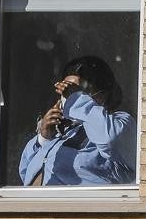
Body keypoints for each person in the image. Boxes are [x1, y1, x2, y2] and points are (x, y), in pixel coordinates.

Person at [18, 55, 136, 186]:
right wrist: (44, 138)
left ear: (102, 94)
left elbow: (110, 140)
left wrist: (77, 100)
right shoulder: (63, 131)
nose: (67, 95)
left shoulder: (119, 122)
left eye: (74, 90)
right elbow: (25, 173)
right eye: (64, 90)